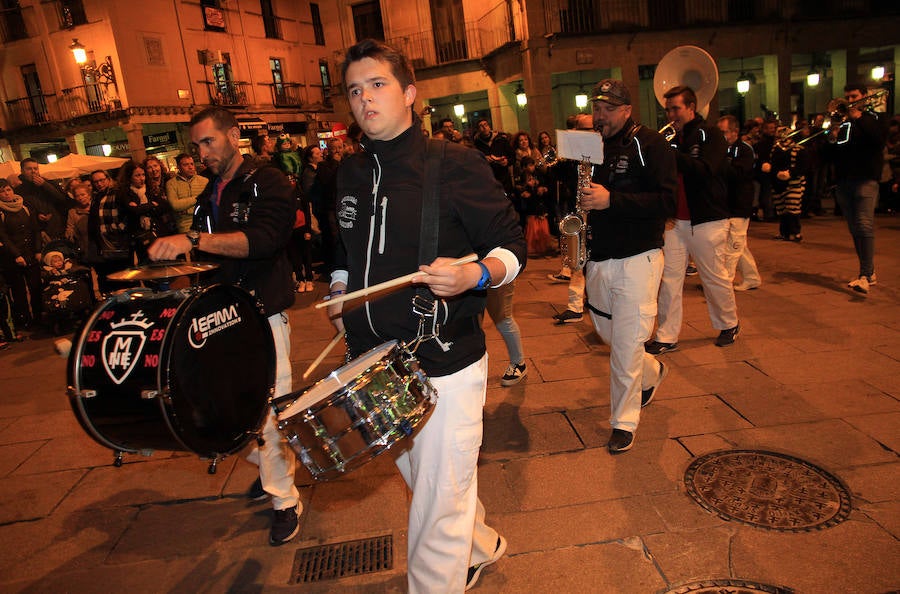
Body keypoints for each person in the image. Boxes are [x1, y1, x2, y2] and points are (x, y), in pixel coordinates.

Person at [328, 39, 525, 592]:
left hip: (444, 363)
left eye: (378, 84)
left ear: (410, 93)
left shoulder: (455, 164)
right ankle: (480, 546)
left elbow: (512, 248)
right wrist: (340, 292)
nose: (365, 99)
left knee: (435, 510)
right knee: (429, 483)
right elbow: (342, 249)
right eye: (355, 90)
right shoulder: (348, 173)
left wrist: (474, 275)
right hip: (375, 364)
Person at [147, 106, 301, 546]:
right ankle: (272, 471)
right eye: (196, 145)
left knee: (268, 412)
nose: (201, 153)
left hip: (263, 313)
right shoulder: (209, 192)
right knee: (226, 411)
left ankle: (285, 501)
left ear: (234, 135)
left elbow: (264, 240)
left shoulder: (268, 180)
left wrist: (193, 239)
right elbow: (206, 257)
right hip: (221, 318)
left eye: (208, 141)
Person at [578, 79, 677, 453]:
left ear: (627, 110)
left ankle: (623, 422)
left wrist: (613, 200)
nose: (600, 116)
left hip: (638, 258)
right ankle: (652, 370)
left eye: (608, 109)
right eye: (596, 108)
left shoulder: (651, 144)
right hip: (599, 258)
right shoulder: (592, 146)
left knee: (624, 347)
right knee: (610, 335)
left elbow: (668, 202)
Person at [646, 85, 740, 353]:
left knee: (713, 277)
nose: (671, 115)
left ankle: (728, 324)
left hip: (707, 219)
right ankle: (666, 336)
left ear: (691, 107)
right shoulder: (672, 138)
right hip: (675, 221)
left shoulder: (711, 134)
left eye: (675, 108)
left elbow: (706, 170)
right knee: (670, 280)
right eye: (667, 110)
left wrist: (671, 154)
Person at [825, 83, 888, 294]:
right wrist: (832, 135)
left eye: (854, 96)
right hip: (844, 180)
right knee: (855, 228)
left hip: (866, 179)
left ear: (864, 96)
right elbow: (832, 153)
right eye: (848, 97)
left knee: (864, 225)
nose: (850, 101)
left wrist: (859, 117)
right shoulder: (843, 122)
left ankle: (865, 274)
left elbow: (878, 140)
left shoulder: (874, 118)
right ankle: (868, 271)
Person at [549, 113, 594, 325]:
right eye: (578, 129)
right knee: (577, 260)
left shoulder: (606, 152)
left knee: (595, 264)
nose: (580, 133)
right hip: (579, 212)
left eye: (585, 129)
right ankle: (575, 306)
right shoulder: (573, 156)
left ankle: (592, 300)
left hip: (600, 212)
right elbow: (555, 172)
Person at [717, 115, 762, 291]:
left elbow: (738, 174)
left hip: (739, 204)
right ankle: (752, 278)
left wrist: (722, 164)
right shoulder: (723, 149)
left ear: (734, 132)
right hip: (727, 204)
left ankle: (724, 284)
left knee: (733, 246)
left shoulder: (744, 150)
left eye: (724, 132)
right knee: (739, 245)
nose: (721, 136)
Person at [0, 178, 43, 329]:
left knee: (36, 287)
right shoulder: (1, 212)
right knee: (19, 292)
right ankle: (25, 320)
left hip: (31, 254)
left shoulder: (24, 206)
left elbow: (35, 229)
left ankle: (39, 317)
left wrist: (38, 250)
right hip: (13, 258)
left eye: (8, 190)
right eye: (2, 191)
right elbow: (3, 237)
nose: (6, 193)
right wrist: (16, 255)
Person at [115, 160, 176, 264]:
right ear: (130, 177)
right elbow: (133, 211)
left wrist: (142, 207)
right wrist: (151, 205)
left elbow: (164, 207)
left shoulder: (151, 189)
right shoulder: (125, 193)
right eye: (137, 175)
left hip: (158, 233)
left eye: (143, 175)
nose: (141, 178)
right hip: (139, 237)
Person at [86, 169, 131, 295]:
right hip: (103, 245)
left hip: (117, 243)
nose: (99, 184)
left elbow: (126, 218)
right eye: (96, 182)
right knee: (108, 279)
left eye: (101, 180)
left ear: (108, 179)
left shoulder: (117, 194)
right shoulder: (96, 197)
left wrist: (110, 229)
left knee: (123, 278)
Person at [17, 158, 70, 241]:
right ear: (22, 171)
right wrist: (37, 216)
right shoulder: (19, 190)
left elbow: (62, 199)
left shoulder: (49, 183)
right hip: (37, 231)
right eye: (29, 169)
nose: (33, 171)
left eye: (35, 168)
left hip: (57, 226)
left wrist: (45, 185)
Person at [165, 153, 209, 233]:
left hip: (204, 223)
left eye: (192, 164)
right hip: (185, 226)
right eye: (185, 165)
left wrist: (186, 211)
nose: (190, 167)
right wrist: (199, 197)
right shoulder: (171, 184)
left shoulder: (204, 181)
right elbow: (175, 205)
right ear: (178, 167)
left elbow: (208, 204)